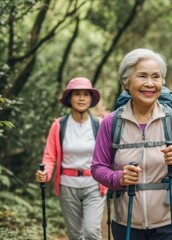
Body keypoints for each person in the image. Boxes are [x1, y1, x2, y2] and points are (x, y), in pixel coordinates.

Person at [91, 48, 172, 240]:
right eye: (142, 76)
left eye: (156, 77)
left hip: (169, 222)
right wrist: (119, 178)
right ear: (126, 81)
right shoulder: (111, 122)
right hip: (126, 222)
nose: (150, 83)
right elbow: (98, 168)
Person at [35, 77, 106, 239]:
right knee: (75, 235)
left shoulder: (100, 124)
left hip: (94, 185)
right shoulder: (59, 125)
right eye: (77, 94)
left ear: (91, 99)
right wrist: (44, 173)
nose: (81, 98)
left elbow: (108, 155)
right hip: (67, 185)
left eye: (86, 94)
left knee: (91, 231)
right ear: (70, 98)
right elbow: (49, 156)